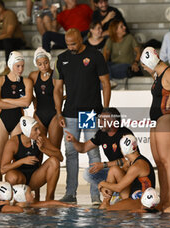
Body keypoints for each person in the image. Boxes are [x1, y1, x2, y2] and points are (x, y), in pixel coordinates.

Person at [54, 28, 111, 204]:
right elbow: (57, 89)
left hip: (90, 112)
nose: (70, 47)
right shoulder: (61, 58)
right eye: (68, 44)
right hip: (69, 113)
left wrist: (105, 110)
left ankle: (96, 195)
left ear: (81, 40)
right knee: (71, 153)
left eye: (74, 44)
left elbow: (106, 84)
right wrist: (58, 112)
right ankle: (70, 194)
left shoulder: (95, 55)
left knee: (93, 152)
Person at [140, 47, 170, 210]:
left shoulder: (169, 72)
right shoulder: (158, 74)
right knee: (159, 161)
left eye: (144, 64)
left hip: (167, 119)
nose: (143, 67)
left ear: (150, 61)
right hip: (156, 120)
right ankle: (163, 199)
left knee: (167, 161)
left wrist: (169, 103)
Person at [64, 107, 135, 203]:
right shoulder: (101, 134)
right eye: (100, 119)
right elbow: (83, 148)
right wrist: (74, 141)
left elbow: (128, 161)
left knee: (114, 171)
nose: (99, 122)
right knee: (88, 173)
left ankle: (119, 193)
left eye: (103, 120)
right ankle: (112, 193)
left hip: (127, 172)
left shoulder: (125, 134)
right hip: (113, 170)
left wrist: (104, 165)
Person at [0, 51, 33, 179]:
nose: (20, 69)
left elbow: (27, 102)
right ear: (10, 65)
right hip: (1, 120)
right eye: (17, 66)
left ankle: (15, 191)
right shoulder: (0, 81)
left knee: (16, 160)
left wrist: (5, 100)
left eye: (22, 66)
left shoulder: (27, 82)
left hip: (18, 122)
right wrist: (17, 103)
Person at [1, 116, 63, 201]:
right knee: (12, 177)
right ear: (27, 131)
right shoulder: (13, 142)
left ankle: (49, 198)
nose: (39, 132)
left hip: (35, 177)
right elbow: (3, 169)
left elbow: (60, 157)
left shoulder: (41, 138)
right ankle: (19, 199)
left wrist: (43, 149)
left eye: (39, 128)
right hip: (19, 178)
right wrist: (22, 161)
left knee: (54, 161)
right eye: (36, 129)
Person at [98, 134, 156, 211]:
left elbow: (119, 188)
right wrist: (104, 188)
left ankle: (110, 206)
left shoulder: (138, 165)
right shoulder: (130, 162)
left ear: (123, 150)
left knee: (109, 211)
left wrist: (102, 184)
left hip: (142, 201)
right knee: (114, 169)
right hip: (132, 196)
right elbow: (117, 175)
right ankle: (105, 202)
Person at [28, 47, 63, 149]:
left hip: (54, 114)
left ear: (49, 61)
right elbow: (26, 91)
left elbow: (60, 91)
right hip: (39, 114)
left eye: (46, 63)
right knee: (38, 148)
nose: (43, 66)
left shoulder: (55, 74)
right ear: (36, 64)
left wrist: (60, 109)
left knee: (54, 149)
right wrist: (33, 99)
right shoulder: (33, 76)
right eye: (40, 64)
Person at [12, 184, 76, 208]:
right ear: (21, 197)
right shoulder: (12, 210)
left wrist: (66, 205)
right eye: (29, 193)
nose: (33, 194)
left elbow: (48, 203)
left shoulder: (29, 205)